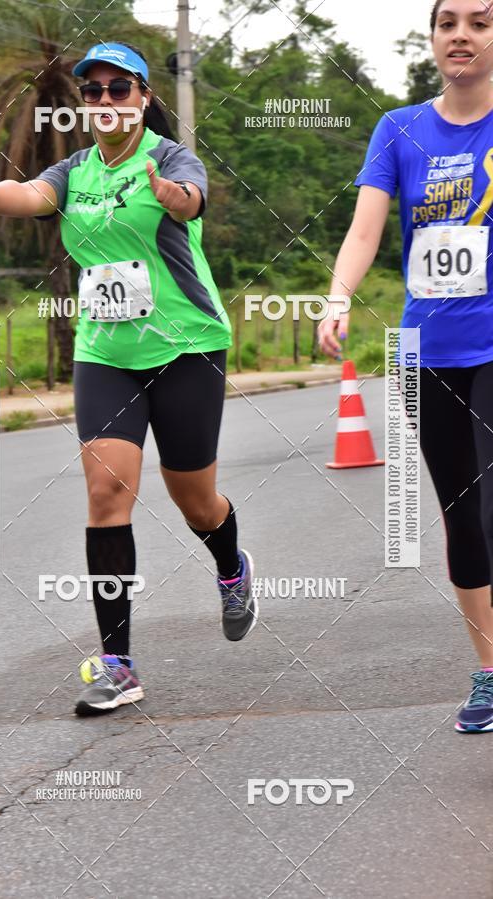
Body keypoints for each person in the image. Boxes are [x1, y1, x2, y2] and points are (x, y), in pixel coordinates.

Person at [0, 41, 258, 716]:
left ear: (144, 97)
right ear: (83, 104)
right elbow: (29, 195)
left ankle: (231, 566)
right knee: (106, 491)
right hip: (106, 352)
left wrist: (179, 199)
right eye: (95, 91)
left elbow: (192, 200)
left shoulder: (169, 157)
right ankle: (118, 663)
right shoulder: (75, 170)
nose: (107, 100)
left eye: (121, 89)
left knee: (195, 500)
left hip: (186, 347)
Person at [318, 0, 493, 733]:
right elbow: (366, 227)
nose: (461, 34)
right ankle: (489, 673)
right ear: (431, 38)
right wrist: (337, 296)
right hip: (426, 351)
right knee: (462, 516)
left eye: (481, 21)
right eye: (448, 21)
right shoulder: (400, 129)